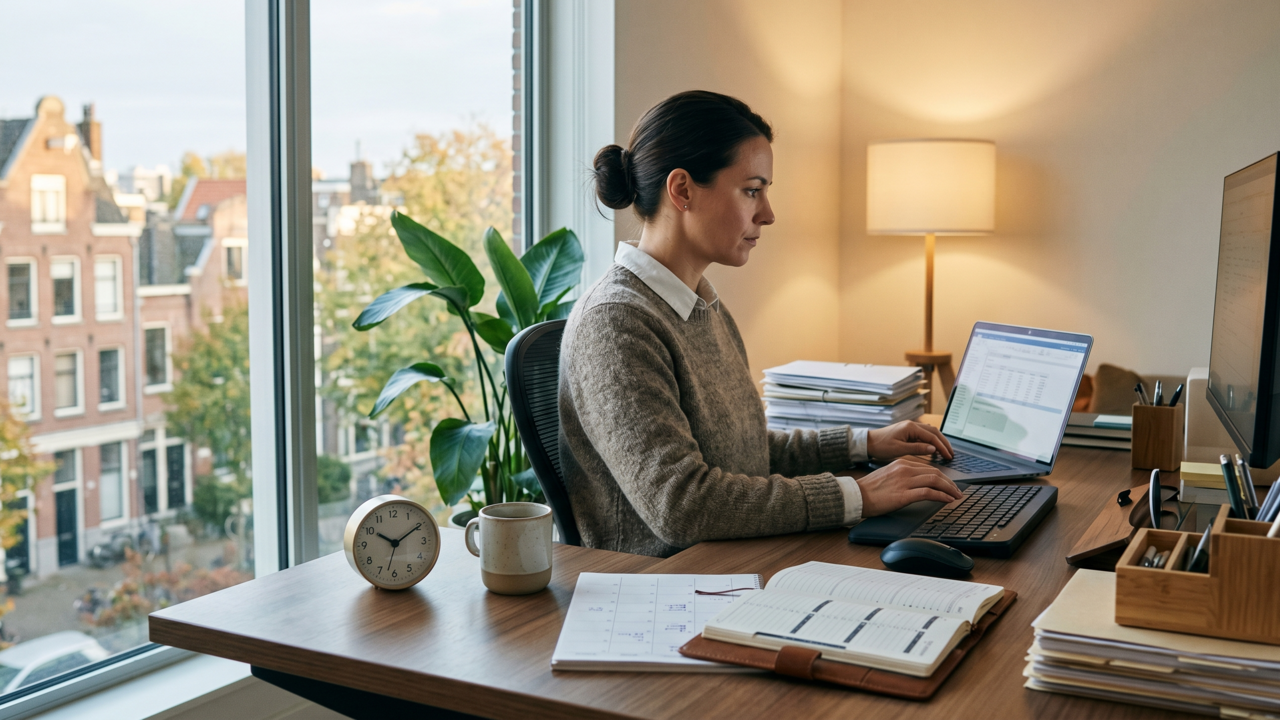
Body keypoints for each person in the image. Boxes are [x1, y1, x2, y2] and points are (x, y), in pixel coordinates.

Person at [558, 90, 963, 558]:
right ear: (682, 190)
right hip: (664, 588)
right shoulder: (615, 323)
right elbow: (682, 504)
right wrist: (861, 496)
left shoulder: (701, 305)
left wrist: (863, 443)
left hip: (735, 560)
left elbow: (745, 452)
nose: (767, 214)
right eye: (752, 190)